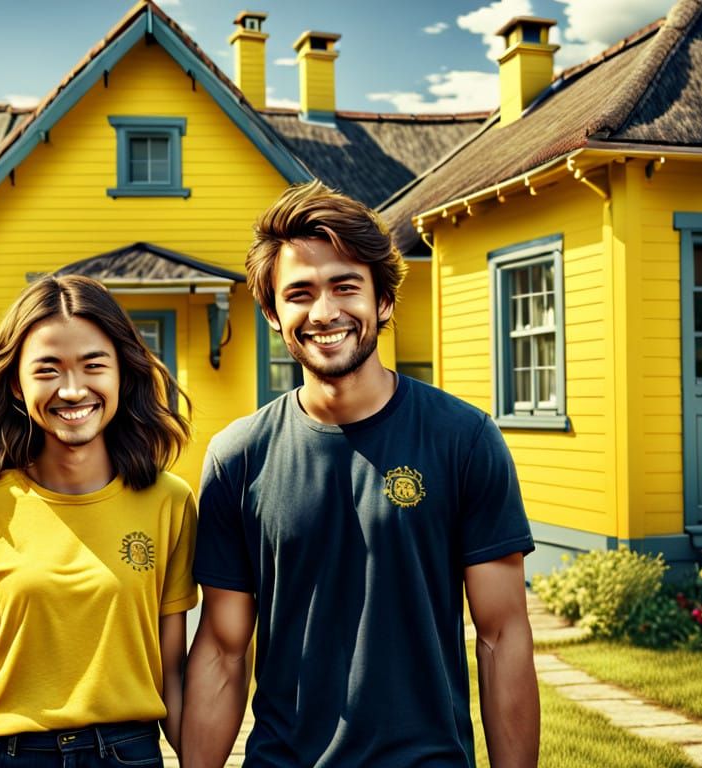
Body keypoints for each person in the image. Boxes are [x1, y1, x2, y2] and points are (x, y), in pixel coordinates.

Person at [182, 182, 539, 767]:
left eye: (346, 286)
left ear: (384, 301)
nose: (325, 312)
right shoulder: (237, 458)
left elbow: (502, 636)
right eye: (300, 293)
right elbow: (222, 652)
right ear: (274, 314)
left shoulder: (463, 439)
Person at [0, 275, 197, 768]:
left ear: (123, 376)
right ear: (16, 386)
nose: (72, 390)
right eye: (48, 370)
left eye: (94, 366)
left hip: (128, 754)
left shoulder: (168, 502)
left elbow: (171, 672)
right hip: (3, 755)